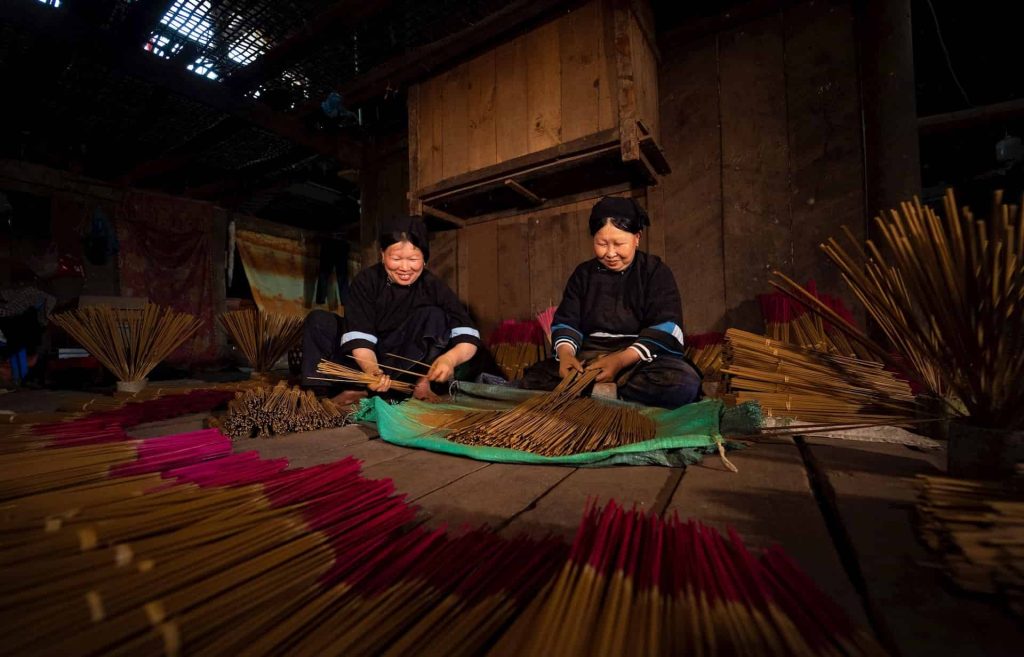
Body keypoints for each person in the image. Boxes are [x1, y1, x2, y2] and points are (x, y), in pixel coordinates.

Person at [521, 196, 702, 408]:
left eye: (619, 243)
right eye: (601, 243)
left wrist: (619, 361)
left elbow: (667, 328)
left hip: (636, 359)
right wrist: (566, 354)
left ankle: (589, 393)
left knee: (682, 383)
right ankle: (603, 392)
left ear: (637, 237)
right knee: (533, 379)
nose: (610, 253)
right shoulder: (583, 274)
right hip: (587, 360)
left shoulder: (654, 271)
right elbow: (567, 321)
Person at [301, 215, 483, 404]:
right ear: (382, 255)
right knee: (319, 321)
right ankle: (347, 389)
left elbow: (467, 335)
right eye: (395, 258)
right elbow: (358, 336)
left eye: (413, 259)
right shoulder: (367, 281)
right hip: (364, 362)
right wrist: (372, 372)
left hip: (405, 367)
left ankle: (421, 385)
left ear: (425, 259)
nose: (405, 267)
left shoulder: (433, 286)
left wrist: (450, 360)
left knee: (434, 316)